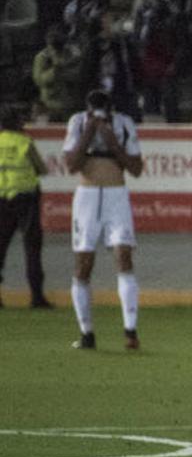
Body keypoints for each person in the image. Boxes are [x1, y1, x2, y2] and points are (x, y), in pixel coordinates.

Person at [63, 89, 144, 350]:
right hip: (86, 197)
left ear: (111, 109)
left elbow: (136, 169)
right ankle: (87, 333)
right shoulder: (77, 123)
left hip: (116, 196)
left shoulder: (124, 124)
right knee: (84, 262)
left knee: (124, 256)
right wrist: (89, 132)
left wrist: (113, 143)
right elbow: (72, 164)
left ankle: (130, 330)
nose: (97, 115)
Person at [0, 107, 52, 309]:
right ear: (17, 123)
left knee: (0, 248)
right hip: (25, 198)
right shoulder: (24, 142)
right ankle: (37, 297)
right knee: (32, 248)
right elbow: (42, 169)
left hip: (1, 199)